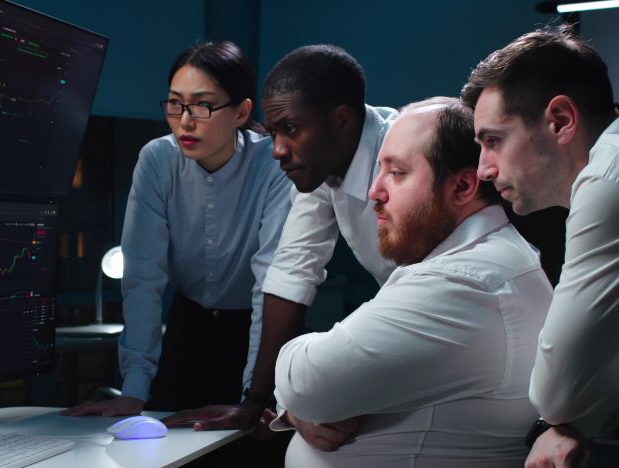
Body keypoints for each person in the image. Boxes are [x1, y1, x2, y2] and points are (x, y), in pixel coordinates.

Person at [271, 97, 553, 466]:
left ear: (462, 187)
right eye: (379, 170)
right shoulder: (473, 260)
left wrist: (297, 370)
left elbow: (307, 383)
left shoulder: (461, 283)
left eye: (397, 173)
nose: (375, 191)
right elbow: (310, 392)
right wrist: (297, 407)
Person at [164, 44, 398, 432]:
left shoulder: (406, 153)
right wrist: (254, 404)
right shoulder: (322, 165)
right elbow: (291, 270)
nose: (276, 150)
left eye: (290, 129)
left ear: (341, 120)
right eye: (272, 132)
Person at [62, 41, 291, 417]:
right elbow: (142, 276)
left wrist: (254, 394)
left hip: (264, 332)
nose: (185, 120)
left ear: (241, 111)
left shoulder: (272, 166)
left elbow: (270, 282)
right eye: (175, 103)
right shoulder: (157, 160)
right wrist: (135, 389)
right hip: (190, 329)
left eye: (203, 105)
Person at [461, 24, 619, 467]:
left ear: (561, 121)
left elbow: (556, 394)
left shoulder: (606, 181)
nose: (483, 170)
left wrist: (566, 422)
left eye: (493, 141)